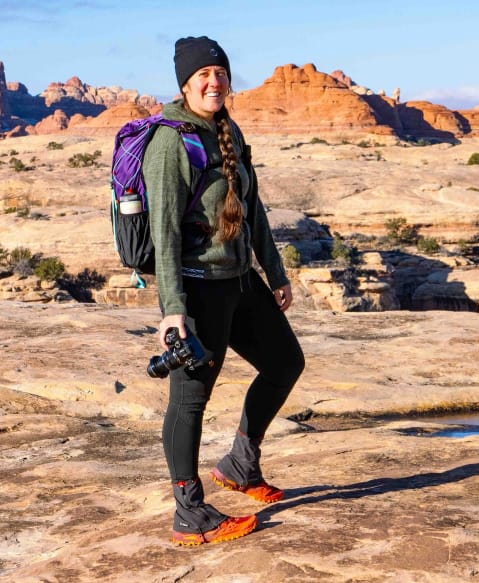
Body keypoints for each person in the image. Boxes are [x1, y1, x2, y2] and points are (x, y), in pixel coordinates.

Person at [144, 35, 305, 546]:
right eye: (203, 76)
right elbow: (164, 233)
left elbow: (251, 209)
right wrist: (173, 311)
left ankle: (240, 463)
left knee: (285, 362)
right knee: (190, 400)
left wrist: (275, 272)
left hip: (239, 281)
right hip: (198, 288)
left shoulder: (227, 129)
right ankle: (188, 510)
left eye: (220, 73)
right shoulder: (171, 141)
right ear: (186, 83)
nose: (214, 82)